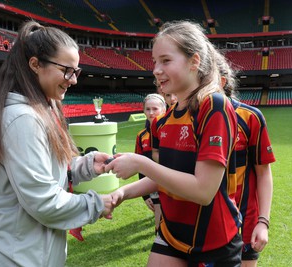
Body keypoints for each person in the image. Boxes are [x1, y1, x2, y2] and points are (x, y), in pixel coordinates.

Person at [0, 21, 114, 267]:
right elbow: (44, 202)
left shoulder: (37, 111)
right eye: (67, 70)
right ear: (35, 64)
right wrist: (97, 203)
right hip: (13, 259)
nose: (73, 80)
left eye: (76, 71)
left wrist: (88, 165)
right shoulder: (23, 118)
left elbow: (47, 171)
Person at [106, 20, 242, 266]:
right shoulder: (163, 121)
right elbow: (166, 176)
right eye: (155, 62)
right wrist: (122, 193)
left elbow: (203, 191)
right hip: (172, 234)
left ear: (194, 61)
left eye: (166, 61)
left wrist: (139, 163)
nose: (156, 69)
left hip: (214, 243)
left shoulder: (214, 107)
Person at [215, 51, 275, 267]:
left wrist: (263, 221)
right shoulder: (189, 118)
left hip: (245, 223)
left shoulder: (250, 117)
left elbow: (263, 173)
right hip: (204, 226)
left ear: (221, 82)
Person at [135, 93, 166, 234]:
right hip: (153, 185)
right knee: (159, 220)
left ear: (164, 109)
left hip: (175, 184)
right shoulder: (141, 136)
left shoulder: (171, 130)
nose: (151, 112)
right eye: (148, 109)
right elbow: (139, 165)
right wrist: (145, 195)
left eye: (155, 109)